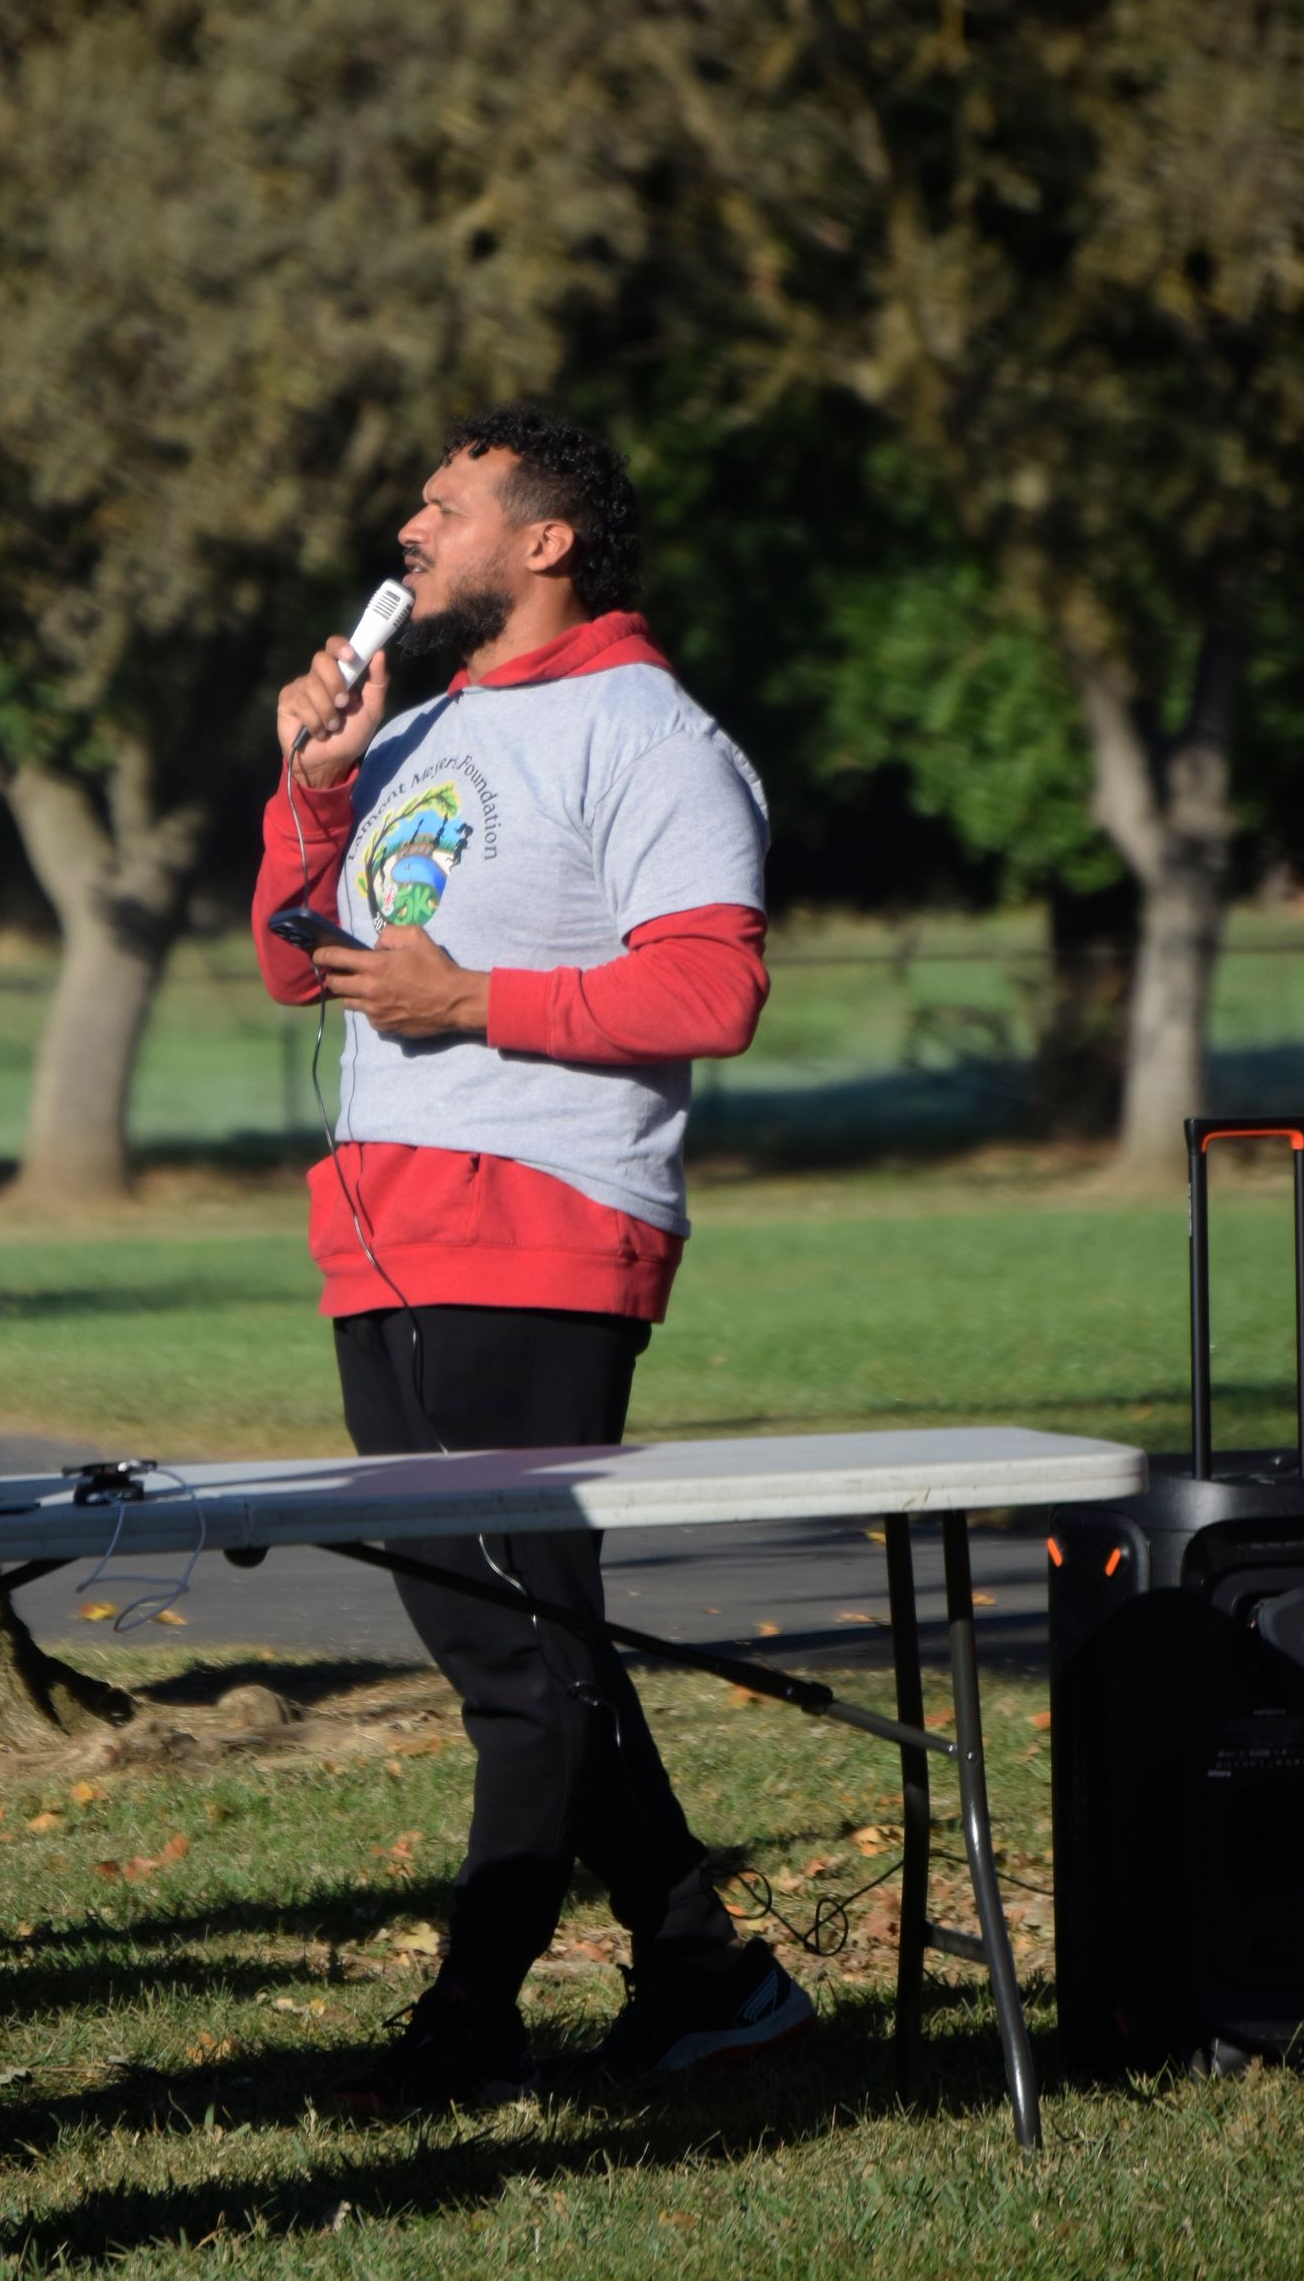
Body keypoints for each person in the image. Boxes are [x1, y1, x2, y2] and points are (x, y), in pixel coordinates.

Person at [252, 405, 813, 2110]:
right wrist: (313, 790)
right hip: (384, 1230)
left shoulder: (651, 735)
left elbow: (712, 989)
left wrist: (472, 1003)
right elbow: (299, 968)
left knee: (514, 1653)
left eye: (445, 504)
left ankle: (471, 2020)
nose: (407, 528)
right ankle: (707, 1965)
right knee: (517, 1635)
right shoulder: (419, 725)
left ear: (544, 542)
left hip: (541, 1225)